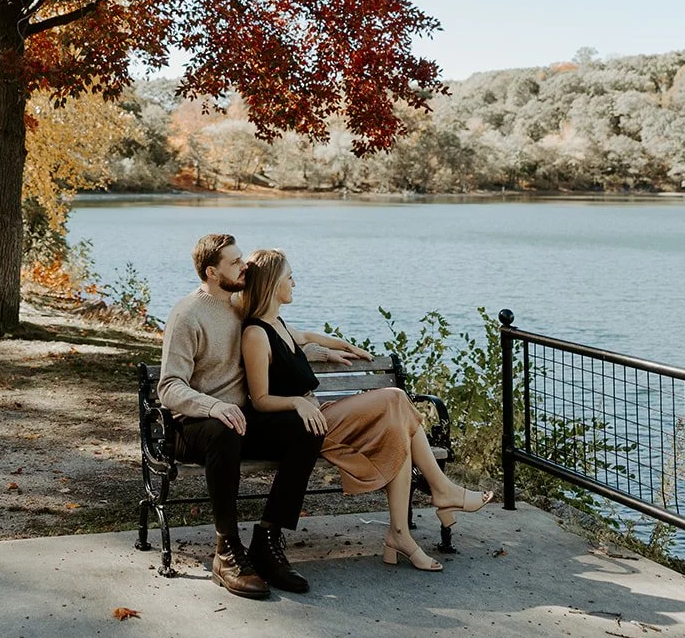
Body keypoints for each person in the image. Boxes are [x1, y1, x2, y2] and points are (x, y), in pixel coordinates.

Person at [238, 248, 493, 572]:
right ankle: (442, 490)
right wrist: (298, 401)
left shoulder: (278, 324)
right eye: (289, 277)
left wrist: (341, 348)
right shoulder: (255, 334)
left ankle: (399, 535)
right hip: (305, 427)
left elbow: (306, 337)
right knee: (396, 398)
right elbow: (259, 399)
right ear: (273, 283)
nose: (295, 283)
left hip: (321, 415)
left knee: (399, 428)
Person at [158, 233, 333, 599]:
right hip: (194, 427)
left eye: (242, 259)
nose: (245, 266)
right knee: (224, 430)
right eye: (235, 262)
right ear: (211, 272)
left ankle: (267, 539)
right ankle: (226, 550)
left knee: (308, 427)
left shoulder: (240, 307)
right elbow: (169, 387)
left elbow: (285, 335)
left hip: (241, 421)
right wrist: (214, 406)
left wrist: (326, 349)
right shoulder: (187, 314)